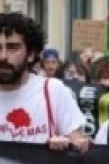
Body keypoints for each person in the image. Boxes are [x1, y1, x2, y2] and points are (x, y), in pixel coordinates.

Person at [0, 12, 89, 151]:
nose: (3, 56)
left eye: (12, 47)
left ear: (30, 54)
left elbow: (81, 143)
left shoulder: (53, 91)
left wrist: (68, 144)